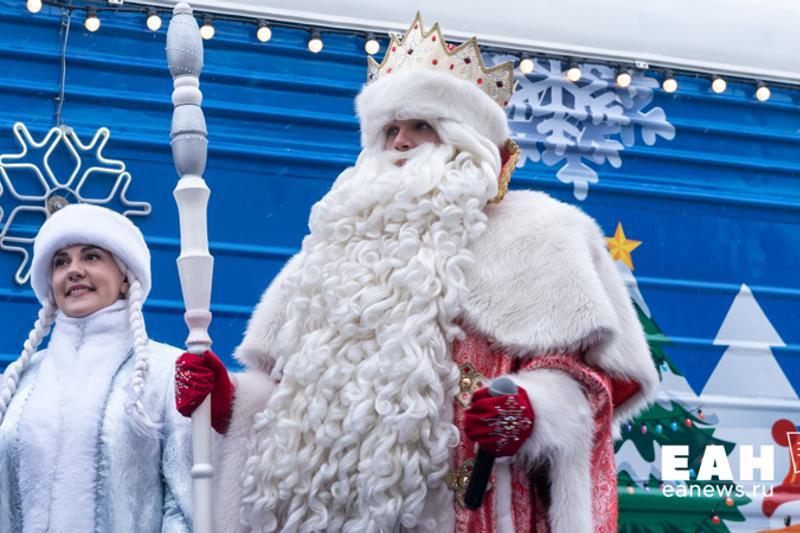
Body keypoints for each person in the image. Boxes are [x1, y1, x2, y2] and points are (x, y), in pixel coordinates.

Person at [177, 14, 658, 533]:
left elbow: (596, 386)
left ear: (466, 139)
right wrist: (230, 402)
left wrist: (532, 410)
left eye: (421, 126)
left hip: (471, 512)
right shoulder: (331, 250)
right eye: (390, 130)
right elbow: (291, 404)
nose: (401, 143)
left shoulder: (539, 233)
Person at [0, 204, 193, 532]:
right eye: (61, 262)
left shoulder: (168, 371)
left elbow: (186, 504)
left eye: (91, 257)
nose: (74, 270)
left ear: (125, 278)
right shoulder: (20, 378)